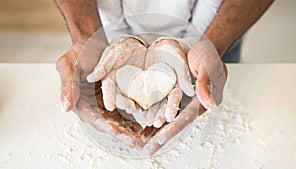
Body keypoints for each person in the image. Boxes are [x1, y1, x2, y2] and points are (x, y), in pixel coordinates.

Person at [54, 0, 274, 117]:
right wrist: (88, 36)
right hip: (104, 32)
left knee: (215, 95)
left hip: (217, 26)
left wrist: (212, 44)